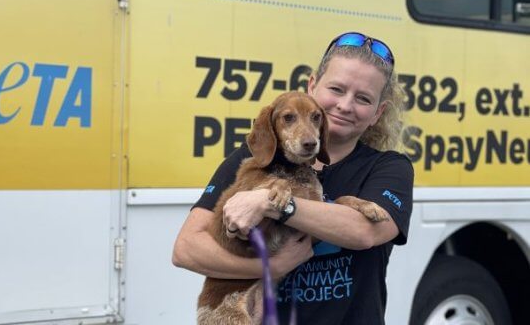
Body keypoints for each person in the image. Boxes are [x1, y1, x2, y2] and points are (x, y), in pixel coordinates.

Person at [172, 31, 414, 324]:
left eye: (363, 98)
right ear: (312, 86)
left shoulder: (389, 167)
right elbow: (186, 249)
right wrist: (271, 267)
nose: (345, 105)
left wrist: (271, 203)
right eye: (336, 89)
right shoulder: (251, 159)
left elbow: (365, 233)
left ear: (378, 112)